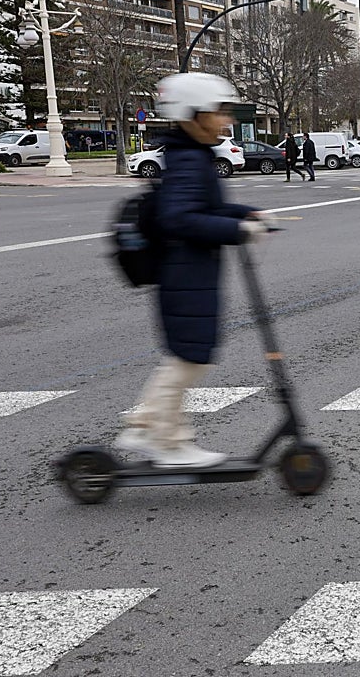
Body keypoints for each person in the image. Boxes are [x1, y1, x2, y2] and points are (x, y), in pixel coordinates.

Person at [115, 73, 269, 469]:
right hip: (185, 277)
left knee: (187, 357)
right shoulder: (187, 160)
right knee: (190, 358)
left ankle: (146, 424)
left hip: (191, 274)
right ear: (192, 115)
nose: (227, 121)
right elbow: (178, 218)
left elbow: (205, 209)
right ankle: (166, 441)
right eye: (220, 112)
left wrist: (243, 214)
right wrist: (236, 229)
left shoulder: (192, 156)